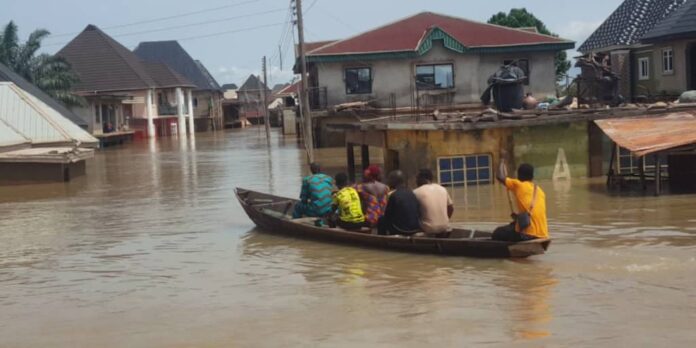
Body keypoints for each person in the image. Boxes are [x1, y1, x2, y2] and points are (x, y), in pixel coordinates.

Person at [492, 163, 549, 241]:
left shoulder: (519, 185)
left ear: (519, 176)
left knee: (497, 233)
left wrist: (501, 161)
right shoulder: (540, 191)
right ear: (532, 177)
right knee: (512, 225)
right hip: (543, 234)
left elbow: (499, 176)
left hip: (527, 234)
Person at [378, 170, 421, 235]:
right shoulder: (412, 193)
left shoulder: (394, 195)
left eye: (389, 179)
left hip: (399, 229)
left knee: (381, 219)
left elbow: (388, 214)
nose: (388, 181)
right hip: (415, 228)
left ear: (394, 181)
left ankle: (382, 241)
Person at [413, 169, 454, 237]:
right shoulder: (442, 189)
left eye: (417, 178)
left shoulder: (416, 192)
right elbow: (451, 208)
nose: (416, 181)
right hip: (445, 227)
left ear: (423, 178)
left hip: (427, 229)